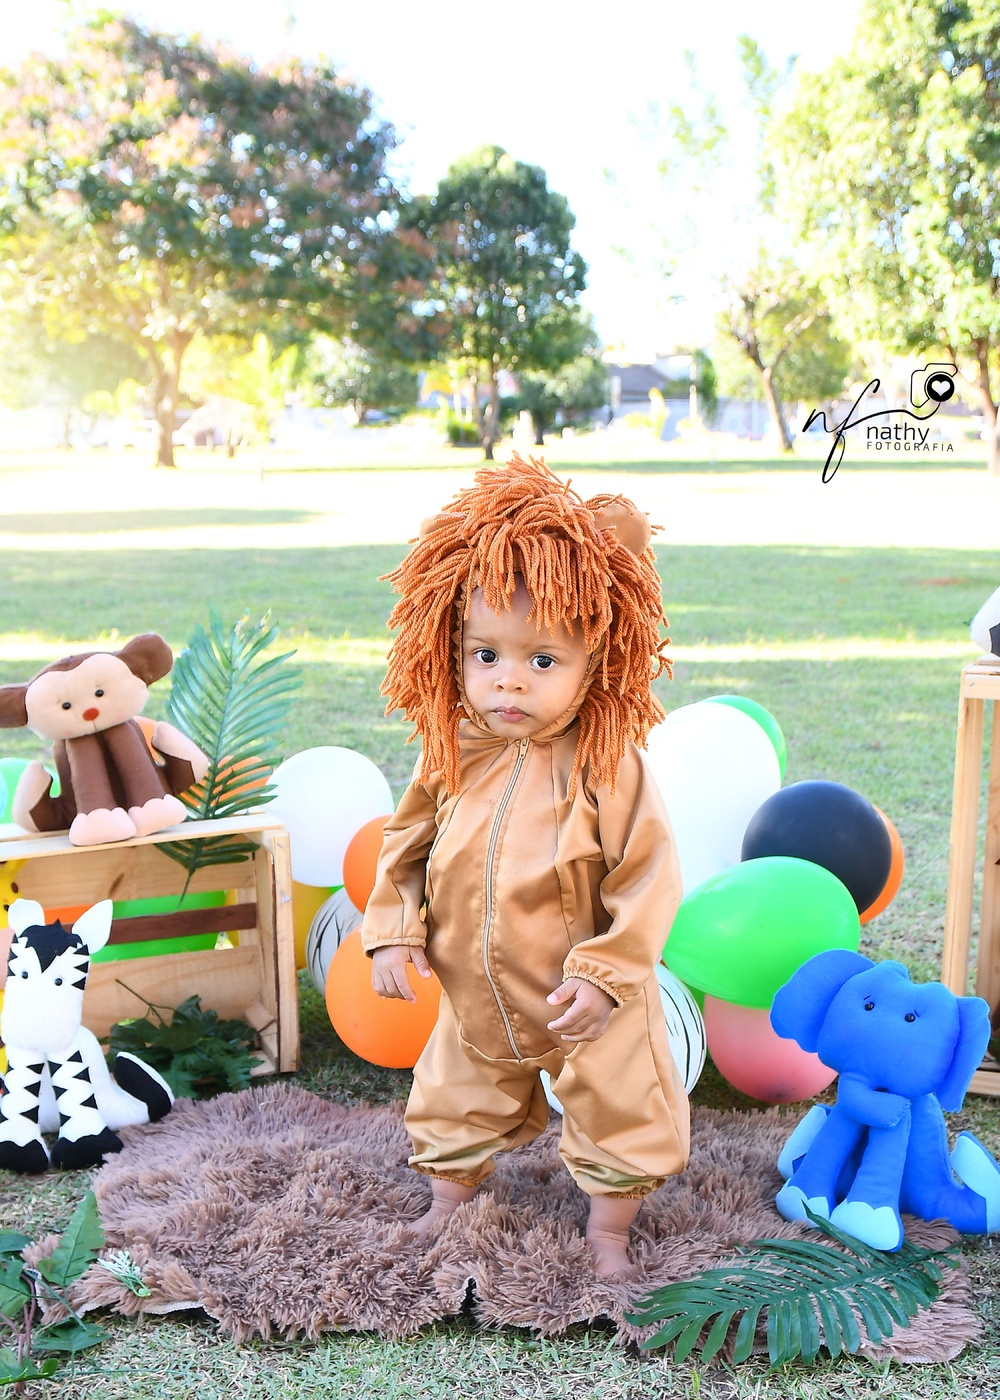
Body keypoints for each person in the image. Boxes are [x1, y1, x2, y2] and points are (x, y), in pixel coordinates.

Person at [362, 453, 689, 1276]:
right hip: (476, 991)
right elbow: (405, 847)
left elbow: (648, 875)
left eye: (543, 661)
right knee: (452, 1094)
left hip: (585, 996)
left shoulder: (607, 760)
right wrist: (394, 930)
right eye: (486, 656)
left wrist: (608, 973)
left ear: (593, 661)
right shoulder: (453, 748)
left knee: (621, 1106)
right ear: (455, 648)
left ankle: (609, 1231)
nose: (508, 683)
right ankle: (446, 1199)